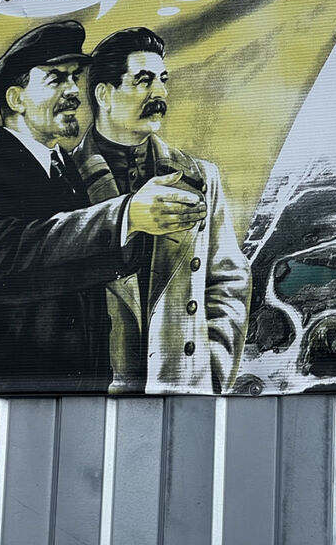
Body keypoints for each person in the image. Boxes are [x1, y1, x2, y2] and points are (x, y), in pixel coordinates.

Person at [0, 19, 201, 395]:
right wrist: (125, 216)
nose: (73, 92)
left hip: (76, 399)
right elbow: (13, 257)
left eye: (74, 78)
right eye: (56, 79)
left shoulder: (69, 173)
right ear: (17, 99)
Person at [72, 27, 251, 394]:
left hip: (183, 387)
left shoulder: (200, 177)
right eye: (143, 81)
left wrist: (212, 373)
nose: (160, 93)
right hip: (95, 393)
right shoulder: (62, 179)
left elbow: (229, 278)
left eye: (162, 80)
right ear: (104, 95)